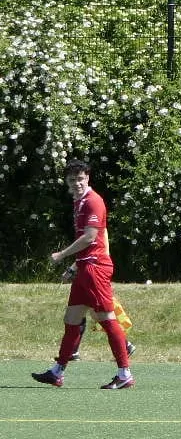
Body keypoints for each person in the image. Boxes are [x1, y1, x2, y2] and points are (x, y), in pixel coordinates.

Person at [33, 158, 133, 390]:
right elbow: (88, 245)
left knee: (107, 319)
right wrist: (74, 267)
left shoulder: (93, 201)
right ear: (67, 181)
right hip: (85, 267)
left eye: (80, 179)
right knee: (72, 319)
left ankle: (124, 373)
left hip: (95, 268)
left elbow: (89, 238)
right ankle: (57, 372)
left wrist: (62, 255)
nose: (76, 183)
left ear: (87, 178)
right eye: (72, 180)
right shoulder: (79, 202)